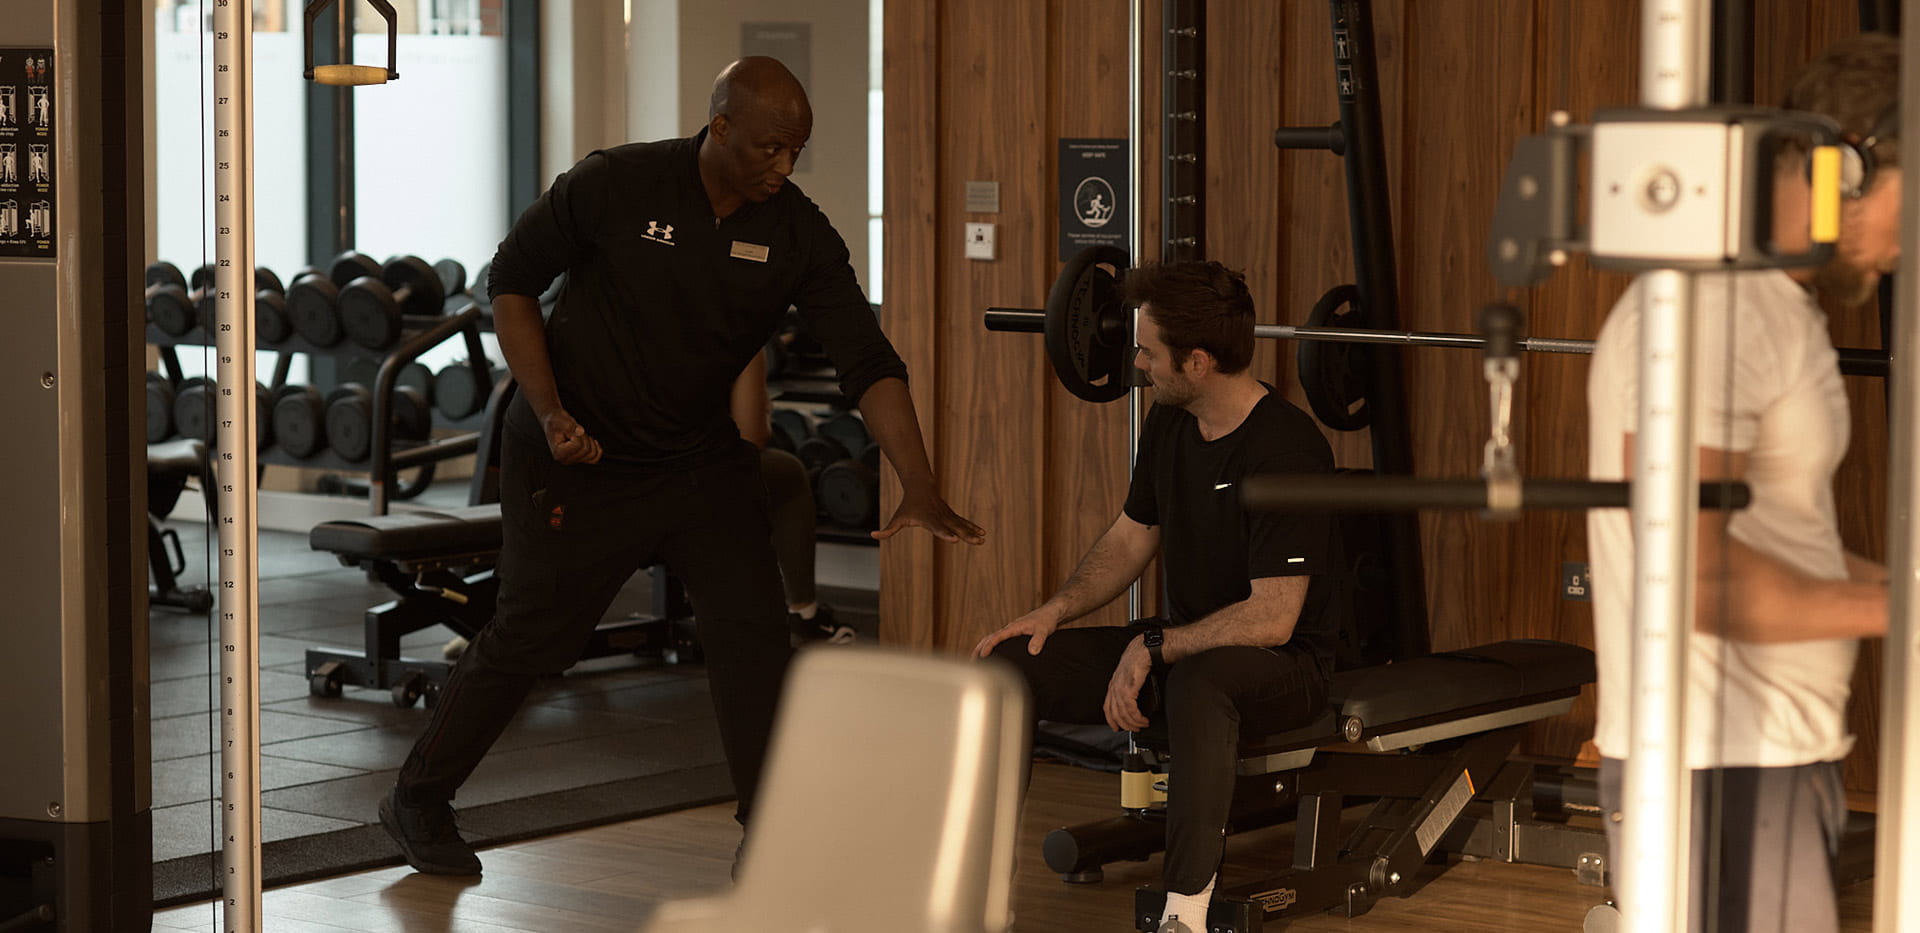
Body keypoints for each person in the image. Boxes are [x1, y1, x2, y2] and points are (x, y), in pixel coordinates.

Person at [379, 56, 983, 877]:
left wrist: (919, 480)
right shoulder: (617, 184)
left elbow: (867, 359)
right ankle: (417, 796)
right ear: (721, 126)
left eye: (797, 150)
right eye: (770, 147)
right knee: (531, 636)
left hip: (695, 461)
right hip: (576, 454)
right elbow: (512, 282)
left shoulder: (797, 232)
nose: (785, 166)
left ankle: (771, 833)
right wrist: (551, 407)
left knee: (754, 632)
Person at [1585, 33, 1898, 933]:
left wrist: (1900, 591)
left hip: (1772, 759)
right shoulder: (1718, 308)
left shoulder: (1768, 306)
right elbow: (1695, 576)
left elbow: (1784, 543)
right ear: (1844, 172)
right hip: (1717, 765)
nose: (1905, 246)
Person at [973, 260, 1344, 933]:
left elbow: (1273, 616)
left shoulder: (1287, 449)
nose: (1138, 362)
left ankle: (1185, 912)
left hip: (1288, 665)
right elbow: (1130, 535)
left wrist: (1152, 646)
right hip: (1185, 641)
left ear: (1197, 361)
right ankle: (976, 885)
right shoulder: (1173, 422)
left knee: (1199, 681)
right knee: (1011, 665)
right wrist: (1053, 612)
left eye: (1148, 351)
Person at [730, 350, 859, 643]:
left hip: (627, 468)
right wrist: (763, 409)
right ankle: (804, 612)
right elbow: (751, 437)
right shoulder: (738, 330)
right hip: (691, 470)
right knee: (788, 472)